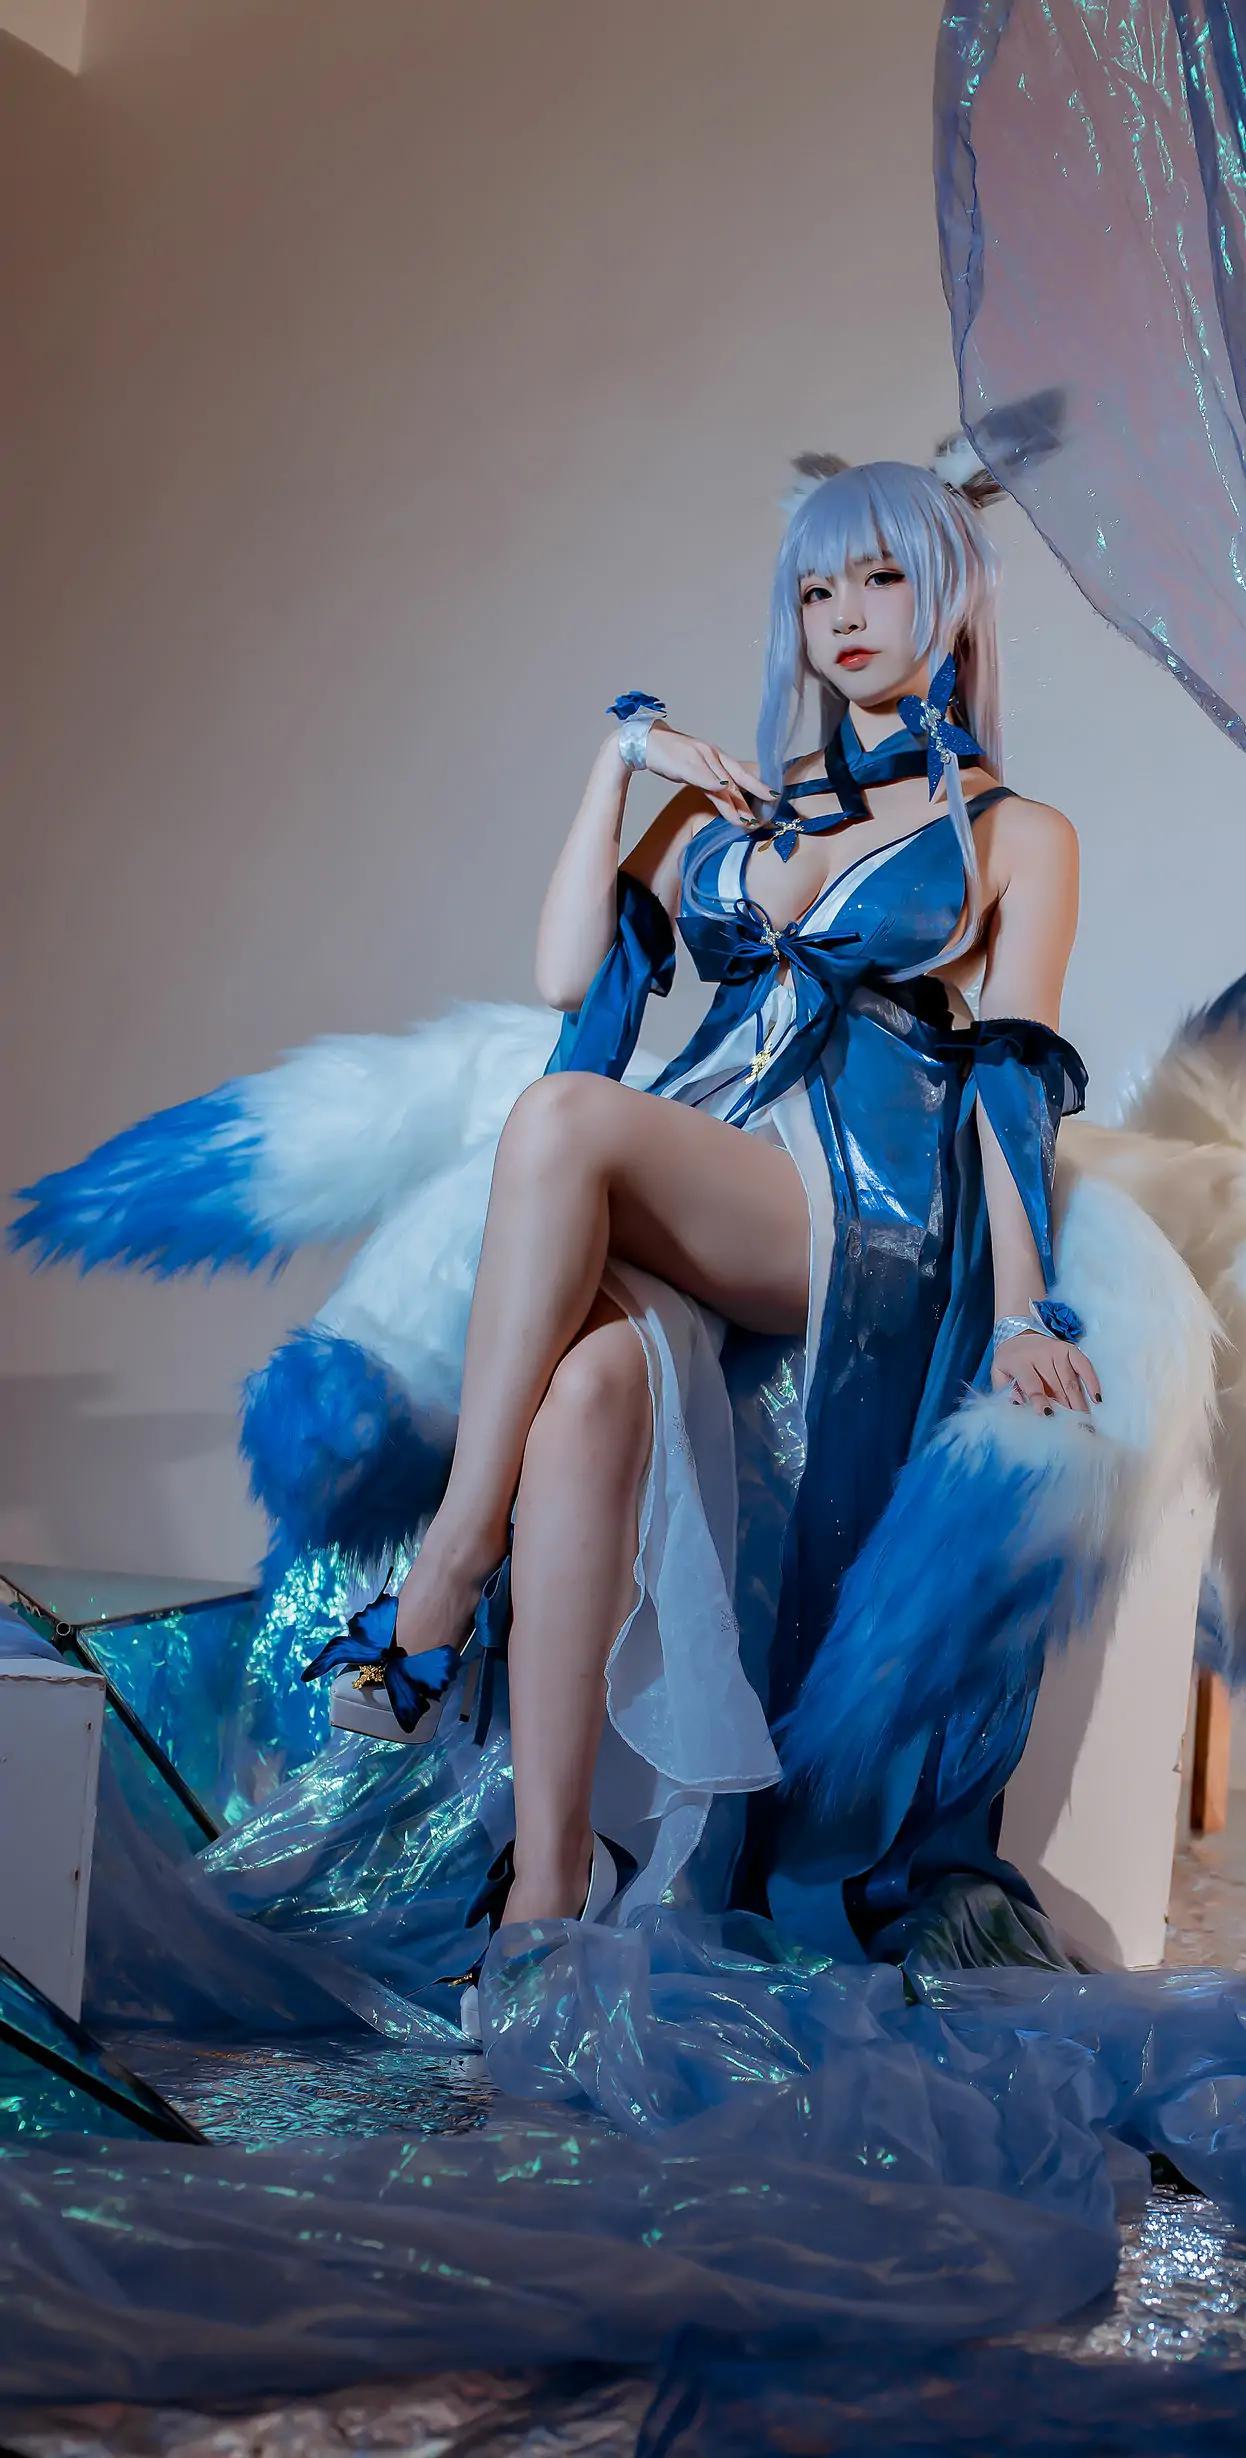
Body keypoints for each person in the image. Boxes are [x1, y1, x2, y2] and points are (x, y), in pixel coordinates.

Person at [300, 455, 1103, 1986]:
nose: (845, 616)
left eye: (882, 579)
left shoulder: (1020, 833)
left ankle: (441, 1583)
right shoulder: (732, 808)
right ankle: (546, 1896)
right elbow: (567, 973)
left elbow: (1013, 1076)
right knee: (584, 1395)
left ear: (954, 598)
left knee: (562, 1118)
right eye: (817, 590)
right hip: (714, 1161)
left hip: (862, 1214)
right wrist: (624, 761)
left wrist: (1022, 1310)